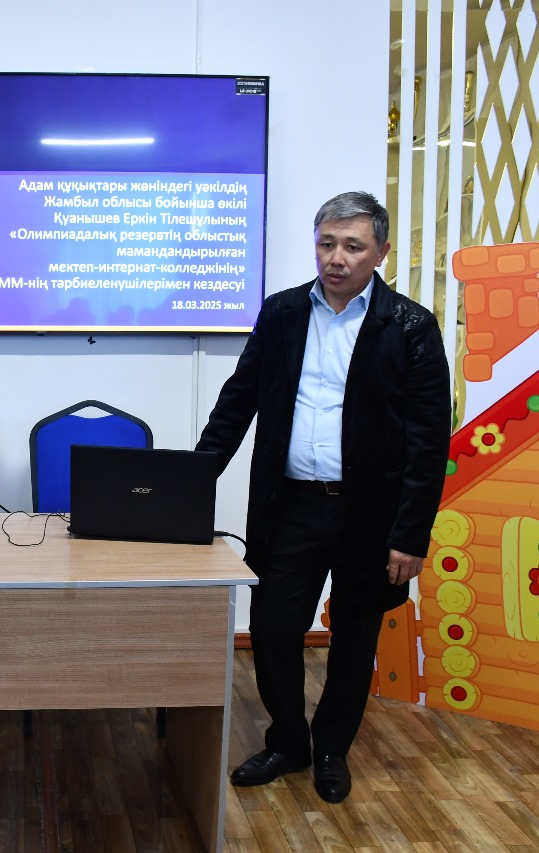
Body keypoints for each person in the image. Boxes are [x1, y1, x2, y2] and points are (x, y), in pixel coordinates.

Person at [195, 191, 450, 804]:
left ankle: (332, 748)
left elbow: (428, 440)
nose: (336, 258)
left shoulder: (410, 326)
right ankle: (288, 740)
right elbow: (237, 401)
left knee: (355, 636)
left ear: (380, 252)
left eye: (352, 246)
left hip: (370, 514)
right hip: (290, 505)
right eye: (327, 244)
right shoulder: (283, 313)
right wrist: (193, 480)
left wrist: (410, 534)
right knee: (272, 626)